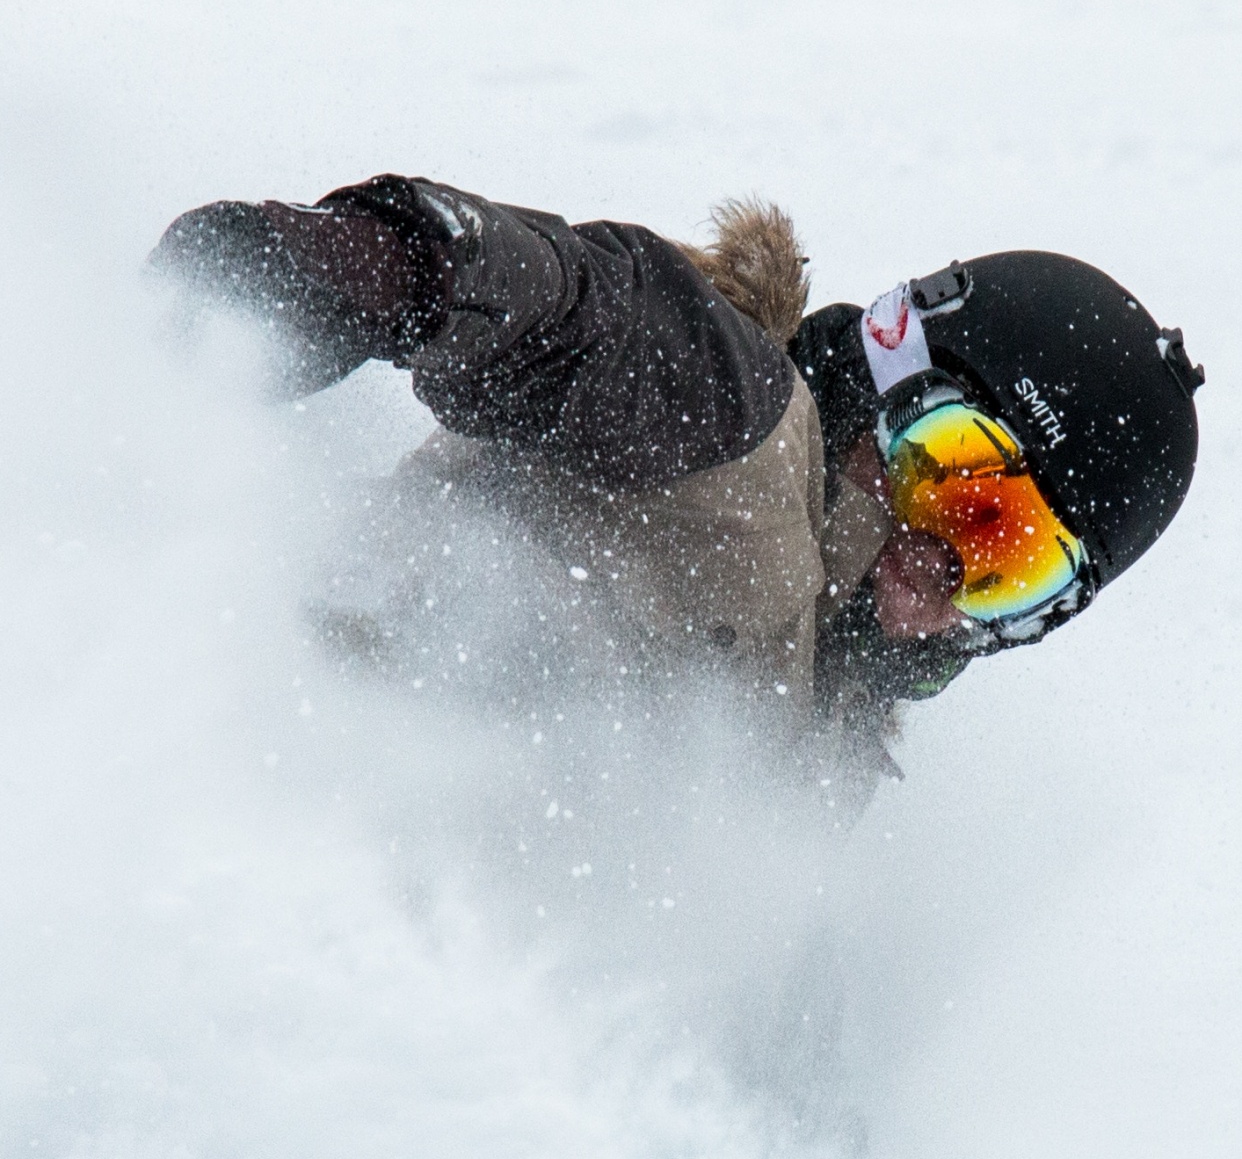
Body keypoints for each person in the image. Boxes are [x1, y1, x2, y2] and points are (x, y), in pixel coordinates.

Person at [151, 174, 1203, 800]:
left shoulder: (827, 738)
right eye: (953, 480)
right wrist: (370, 271)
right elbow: (582, 310)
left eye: (1011, 566)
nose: (937, 574)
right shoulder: (733, 419)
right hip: (265, 754)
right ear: (889, 374)